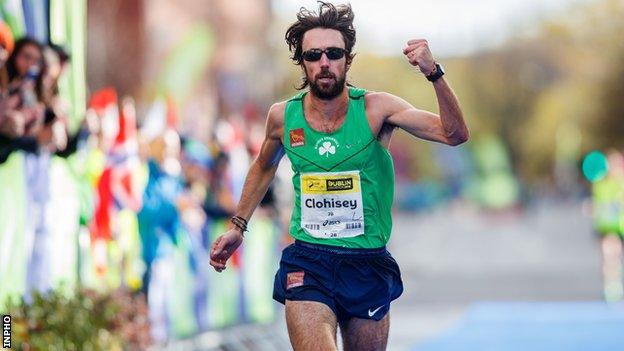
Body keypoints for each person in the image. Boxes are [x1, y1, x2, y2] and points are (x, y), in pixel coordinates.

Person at [209, 2, 469, 350]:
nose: (324, 62)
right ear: (302, 61)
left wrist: (434, 73)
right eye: (314, 54)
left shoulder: (377, 109)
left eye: (334, 53)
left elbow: (453, 134)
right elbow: (264, 165)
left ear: (348, 58)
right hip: (309, 259)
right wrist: (238, 225)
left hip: (367, 262)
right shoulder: (282, 118)